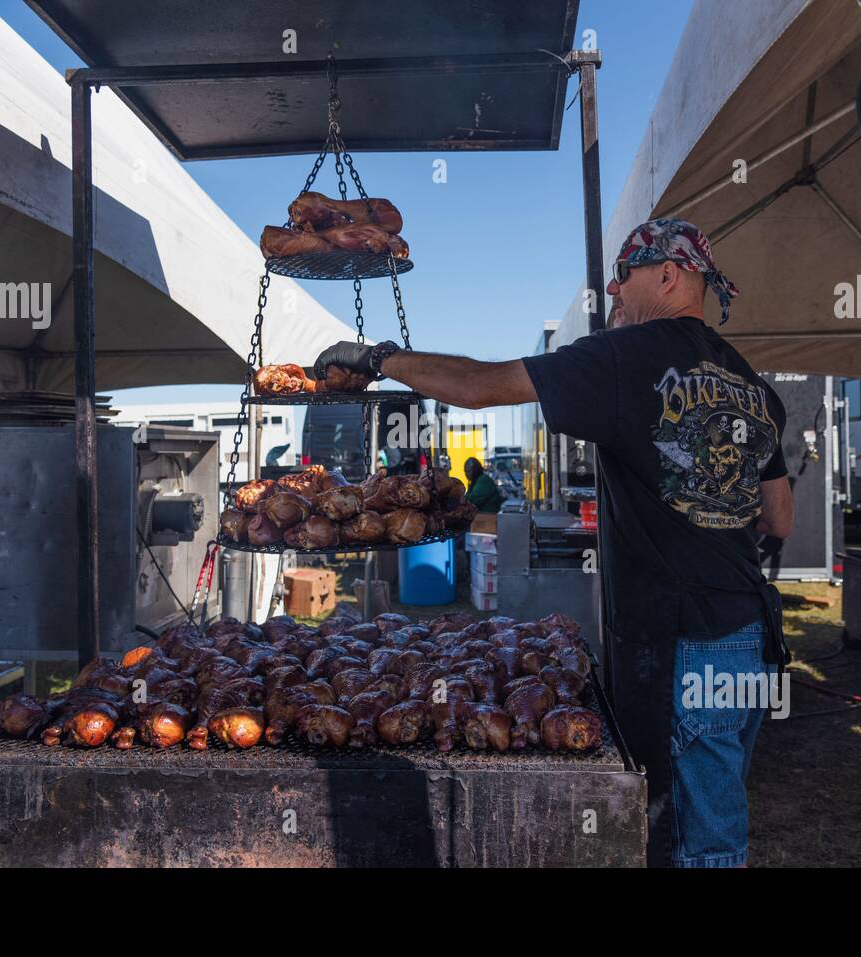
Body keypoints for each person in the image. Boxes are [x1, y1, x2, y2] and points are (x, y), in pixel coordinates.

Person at [315, 219, 792, 868]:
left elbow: (480, 387)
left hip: (686, 642)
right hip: (751, 633)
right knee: (708, 821)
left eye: (624, 279)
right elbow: (781, 519)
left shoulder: (629, 356)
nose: (615, 293)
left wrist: (379, 359)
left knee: (699, 844)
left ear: (670, 275)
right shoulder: (752, 385)